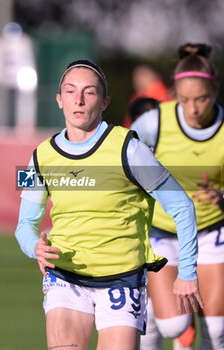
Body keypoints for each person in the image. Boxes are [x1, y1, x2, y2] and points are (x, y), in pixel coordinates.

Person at [15, 59, 204, 350]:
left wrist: (188, 273)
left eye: (89, 92)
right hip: (65, 278)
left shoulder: (131, 149)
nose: (78, 100)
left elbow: (182, 206)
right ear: (58, 99)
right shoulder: (38, 157)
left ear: (104, 102)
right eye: (70, 91)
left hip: (122, 281)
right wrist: (34, 247)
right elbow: (24, 224)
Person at [131, 43, 224, 350]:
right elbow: (122, 161)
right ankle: (154, 323)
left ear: (215, 91)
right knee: (173, 325)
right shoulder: (154, 122)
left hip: (212, 233)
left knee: (217, 329)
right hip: (163, 232)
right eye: (184, 100)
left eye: (201, 99)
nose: (193, 109)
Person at [122, 64, 169, 128]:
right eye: (135, 76)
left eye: (141, 75)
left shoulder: (165, 96)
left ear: (155, 77)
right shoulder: (137, 96)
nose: (136, 79)